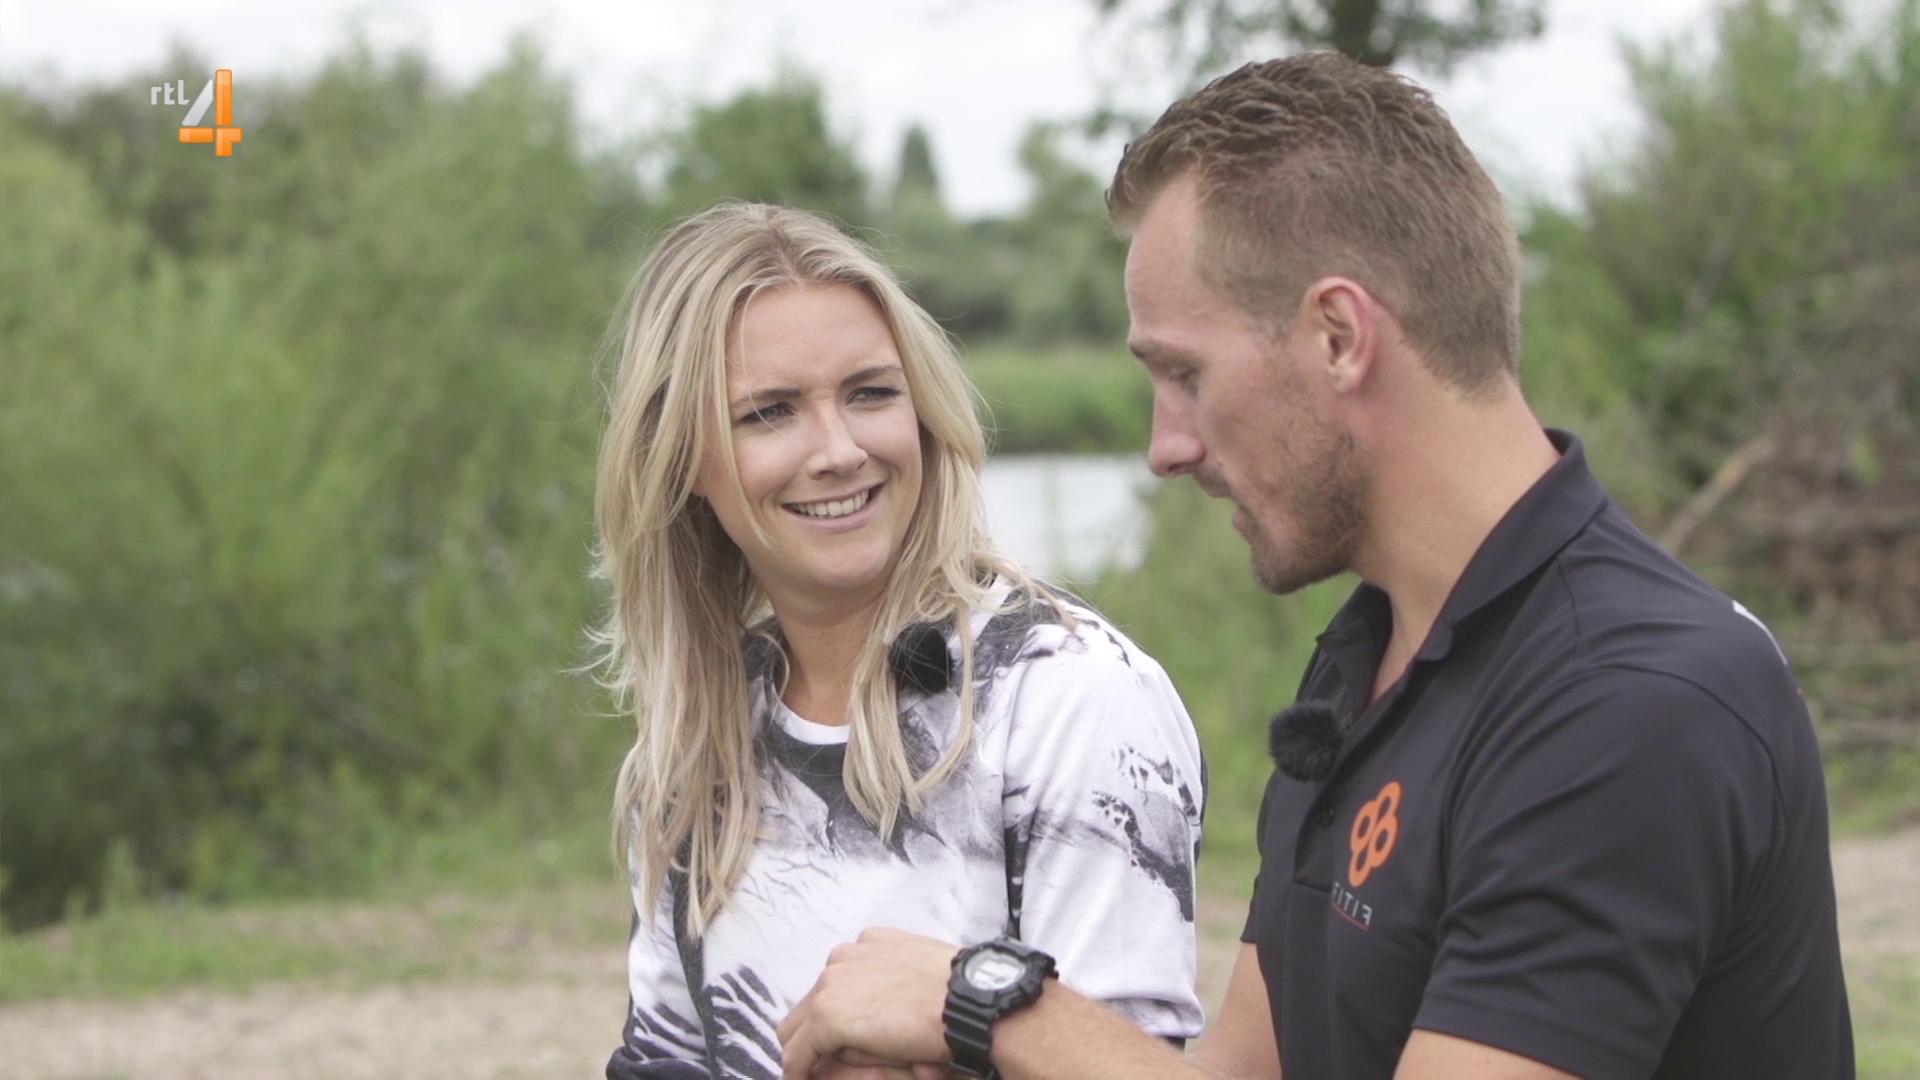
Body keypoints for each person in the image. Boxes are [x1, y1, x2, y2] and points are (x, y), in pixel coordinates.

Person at [777, 53, 1854, 1080]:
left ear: (1339, 335)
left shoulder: (1633, 702)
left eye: (1185, 374)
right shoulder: (1372, 656)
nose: (1165, 447)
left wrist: (988, 999)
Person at [590, 202, 1208, 1080]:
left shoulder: (1069, 698)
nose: (839, 450)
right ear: (683, 457)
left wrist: (961, 1016)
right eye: (770, 412)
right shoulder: (705, 728)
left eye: (871, 393)